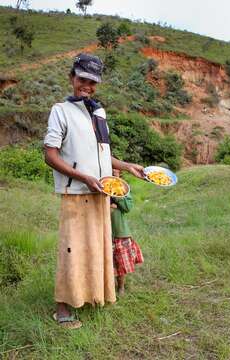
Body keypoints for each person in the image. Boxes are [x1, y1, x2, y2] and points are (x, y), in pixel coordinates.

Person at [44, 53, 144, 329]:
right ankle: (63, 308)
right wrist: (83, 177)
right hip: (76, 192)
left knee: (96, 247)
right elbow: (50, 155)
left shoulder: (99, 112)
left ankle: (92, 296)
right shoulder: (60, 111)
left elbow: (104, 154)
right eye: (82, 79)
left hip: (101, 192)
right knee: (71, 249)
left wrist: (127, 166)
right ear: (72, 77)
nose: (87, 85)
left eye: (92, 82)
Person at [111, 169, 144, 296]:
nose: (113, 173)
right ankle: (109, 286)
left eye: (116, 171)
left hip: (120, 231)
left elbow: (128, 207)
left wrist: (116, 198)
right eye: (111, 170)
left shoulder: (123, 188)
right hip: (104, 231)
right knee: (108, 262)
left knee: (121, 263)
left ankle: (121, 287)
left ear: (120, 174)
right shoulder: (100, 184)